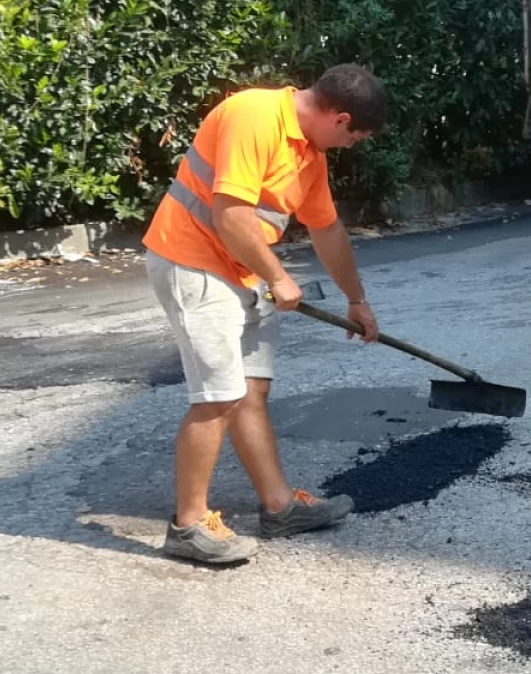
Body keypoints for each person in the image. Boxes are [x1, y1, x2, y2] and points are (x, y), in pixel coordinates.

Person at [140, 65, 388, 564]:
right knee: (218, 395)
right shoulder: (254, 114)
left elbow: (329, 232)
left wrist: (356, 299)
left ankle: (278, 507)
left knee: (252, 389)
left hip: (242, 269)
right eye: (356, 137)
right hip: (193, 263)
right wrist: (278, 279)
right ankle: (188, 525)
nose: (352, 146)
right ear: (340, 119)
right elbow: (228, 214)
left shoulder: (307, 155)